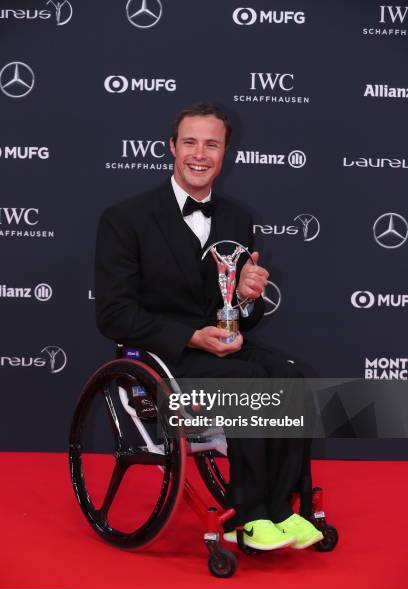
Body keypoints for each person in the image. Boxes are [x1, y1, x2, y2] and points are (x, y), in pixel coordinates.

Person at [95, 103, 323, 551]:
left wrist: (247, 297)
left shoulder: (238, 219)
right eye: (191, 142)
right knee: (254, 381)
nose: (200, 154)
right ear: (172, 148)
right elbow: (112, 315)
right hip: (162, 360)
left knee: (293, 377)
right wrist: (191, 336)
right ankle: (252, 517)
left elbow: (238, 316)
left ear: (225, 154)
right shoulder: (124, 219)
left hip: (221, 348)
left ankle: (282, 510)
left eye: (212, 144)